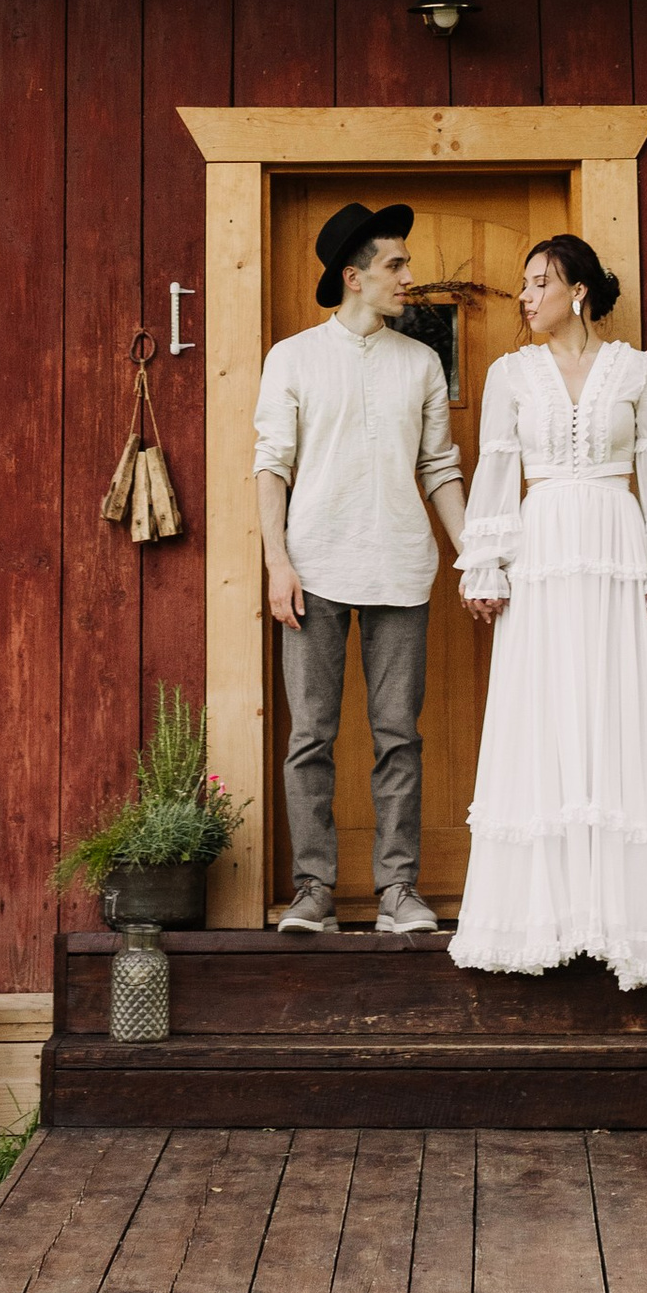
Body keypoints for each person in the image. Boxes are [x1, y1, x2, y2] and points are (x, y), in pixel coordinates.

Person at [449, 232, 647, 991]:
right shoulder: (511, 376)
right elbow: (498, 472)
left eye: (540, 282)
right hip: (541, 554)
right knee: (545, 712)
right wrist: (485, 564)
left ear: (577, 291)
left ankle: (624, 910)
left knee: (619, 711)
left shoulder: (637, 372)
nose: (526, 297)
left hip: (615, 548)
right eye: (523, 284)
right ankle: (547, 910)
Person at [253, 198, 468, 936]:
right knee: (310, 736)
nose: (409, 275)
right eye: (395, 264)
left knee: (397, 735)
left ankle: (397, 891)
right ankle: (312, 889)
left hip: (403, 571)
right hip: (312, 572)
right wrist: (277, 562)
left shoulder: (421, 363)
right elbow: (270, 466)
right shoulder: (293, 358)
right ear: (354, 276)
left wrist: (472, 555)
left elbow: (440, 466)